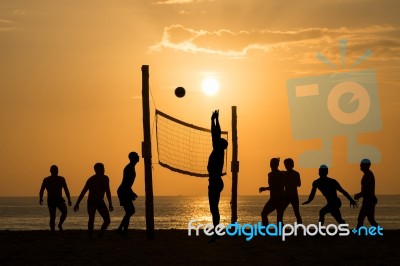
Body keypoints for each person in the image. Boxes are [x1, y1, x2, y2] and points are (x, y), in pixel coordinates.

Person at [74, 163, 113, 237]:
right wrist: (77, 203)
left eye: (103, 168)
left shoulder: (106, 178)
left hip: (100, 202)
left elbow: (108, 191)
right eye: (101, 169)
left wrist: (110, 203)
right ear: (96, 170)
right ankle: (90, 236)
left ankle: (100, 235)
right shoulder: (91, 180)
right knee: (91, 219)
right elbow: (83, 192)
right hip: (91, 202)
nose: (103, 170)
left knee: (107, 220)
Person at [207, 110, 228, 242]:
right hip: (215, 181)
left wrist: (214, 120)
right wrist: (214, 120)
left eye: (218, 141)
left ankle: (216, 232)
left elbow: (215, 134)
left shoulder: (218, 151)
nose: (215, 140)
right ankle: (217, 231)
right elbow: (215, 134)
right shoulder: (218, 149)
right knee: (213, 208)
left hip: (215, 181)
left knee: (214, 207)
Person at [39, 165, 72, 232]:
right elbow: (42, 190)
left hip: (59, 199)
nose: (56, 171)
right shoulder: (46, 180)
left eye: (56, 170)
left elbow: (66, 189)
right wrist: (40, 198)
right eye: (54, 170)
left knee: (64, 212)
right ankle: (52, 231)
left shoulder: (61, 179)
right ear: (51, 171)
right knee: (52, 216)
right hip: (51, 200)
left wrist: (69, 199)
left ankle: (59, 225)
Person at [116, 152, 139, 238]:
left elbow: (128, 183)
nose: (138, 157)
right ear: (132, 158)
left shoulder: (132, 167)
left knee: (129, 212)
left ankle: (124, 232)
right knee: (130, 211)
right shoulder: (129, 168)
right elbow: (126, 183)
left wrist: (132, 192)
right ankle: (120, 230)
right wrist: (130, 192)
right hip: (123, 191)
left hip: (125, 190)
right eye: (136, 156)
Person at [259, 157, 285, 225]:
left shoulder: (280, 174)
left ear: (277, 165)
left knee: (279, 217)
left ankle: (280, 233)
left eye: (274, 164)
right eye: (271, 163)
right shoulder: (270, 174)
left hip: (280, 198)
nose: (272, 165)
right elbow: (272, 186)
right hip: (273, 198)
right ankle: (266, 229)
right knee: (264, 214)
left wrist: (265, 188)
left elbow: (277, 187)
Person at [354, 158, 379, 229]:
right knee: (370, 219)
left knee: (361, 218)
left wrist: (359, 195)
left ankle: (358, 233)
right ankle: (379, 232)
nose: (360, 166)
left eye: (361, 165)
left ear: (366, 166)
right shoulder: (367, 174)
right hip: (368, 200)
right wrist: (360, 195)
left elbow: (367, 189)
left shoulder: (368, 175)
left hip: (369, 200)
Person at [282, 158, 302, 223]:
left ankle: (300, 228)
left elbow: (299, 184)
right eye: (285, 164)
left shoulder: (295, 173)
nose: (286, 166)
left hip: (293, 195)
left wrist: (290, 181)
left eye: (287, 164)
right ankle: (281, 226)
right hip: (287, 195)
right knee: (281, 211)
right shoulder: (284, 173)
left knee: (297, 213)